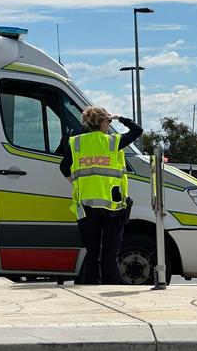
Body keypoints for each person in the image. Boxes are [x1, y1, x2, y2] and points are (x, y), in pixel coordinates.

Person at [59, 107, 143, 284]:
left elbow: (64, 167)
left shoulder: (75, 142)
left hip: (86, 206)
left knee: (92, 252)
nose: (109, 124)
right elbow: (137, 130)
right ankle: (109, 284)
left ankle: (90, 285)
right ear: (103, 121)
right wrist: (119, 117)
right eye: (108, 121)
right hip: (113, 207)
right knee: (110, 253)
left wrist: (77, 182)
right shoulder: (113, 142)